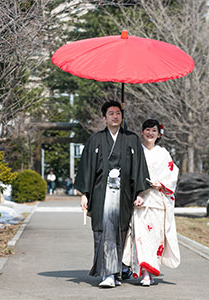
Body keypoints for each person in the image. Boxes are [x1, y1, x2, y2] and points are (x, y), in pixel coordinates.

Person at [74, 101, 150, 288]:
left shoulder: (131, 139)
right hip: (101, 193)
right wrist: (84, 194)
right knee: (101, 232)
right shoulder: (95, 140)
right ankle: (106, 273)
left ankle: (114, 273)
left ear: (122, 117)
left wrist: (140, 192)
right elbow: (86, 169)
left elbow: (139, 167)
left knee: (120, 232)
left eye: (118, 113)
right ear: (104, 118)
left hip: (123, 194)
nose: (115, 116)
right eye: (111, 113)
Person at [122, 119, 180, 286]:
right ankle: (145, 273)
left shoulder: (164, 154)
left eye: (153, 130)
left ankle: (150, 271)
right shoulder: (135, 151)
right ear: (142, 132)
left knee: (155, 239)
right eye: (147, 130)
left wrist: (161, 184)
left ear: (159, 134)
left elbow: (172, 174)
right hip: (140, 201)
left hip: (157, 201)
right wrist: (137, 192)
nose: (150, 133)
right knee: (140, 238)